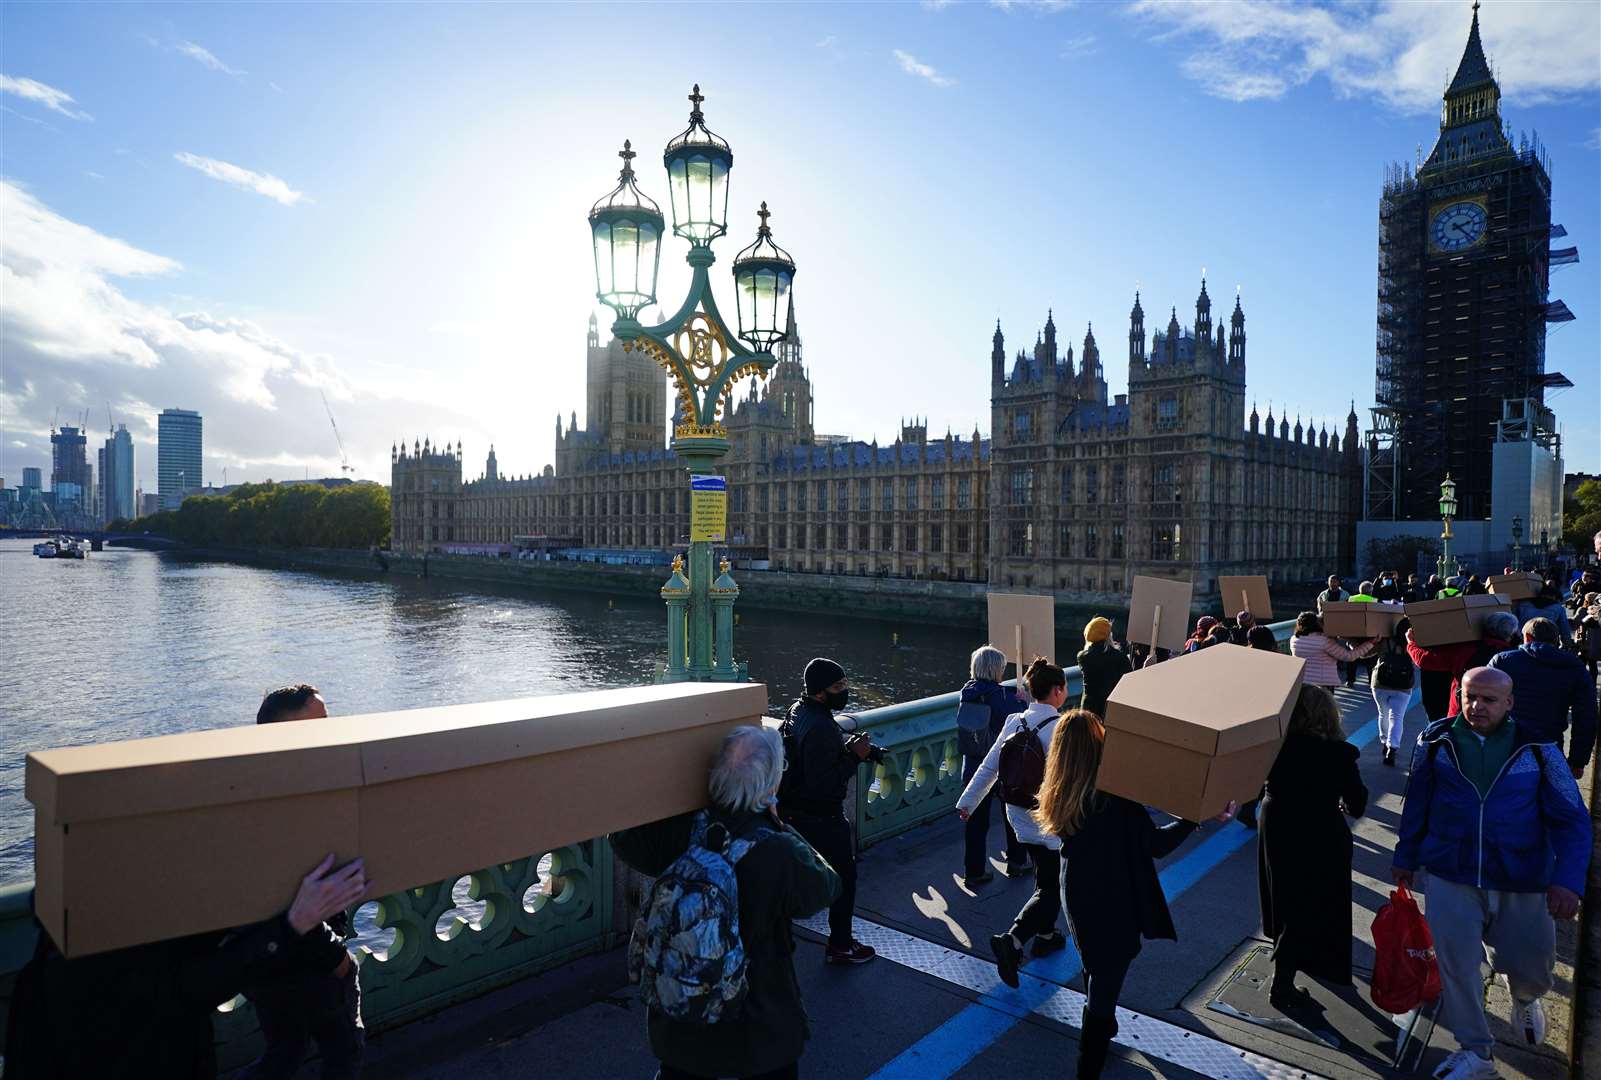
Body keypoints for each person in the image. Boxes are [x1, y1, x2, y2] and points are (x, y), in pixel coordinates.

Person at [1392, 668, 1591, 1080]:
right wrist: (1406, 855)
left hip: (1521, 874)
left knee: (1531, 962)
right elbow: (1417, 801)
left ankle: (1524, 997)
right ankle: (1476, 1052)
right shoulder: (1435, 740)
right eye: (1470, 696)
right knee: (1457, 966)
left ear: (1509, 703)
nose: (1476, 706)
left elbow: (1572, 819)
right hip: (1451, 871)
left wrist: (1568, 880)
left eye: (1488, 700)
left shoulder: (1539, 749)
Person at [611, 725, 841, 1080]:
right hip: (757, 1027)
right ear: (770, 785)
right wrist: (779, 823)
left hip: (681, 1023)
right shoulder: (779, 850)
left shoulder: (680, 831)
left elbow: (621, 837)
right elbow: (827, 886)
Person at [4, 854, 367, 1079]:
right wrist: (298, 927)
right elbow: (185, 989)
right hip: (150, 1056)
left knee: (286, 1052)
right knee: (331, 1049)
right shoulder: (103, 962)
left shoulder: (60, 950)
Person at [1033, 710, 1237, 1079]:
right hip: (1113, 899)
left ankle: (1099, 1034)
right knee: (1103, 988)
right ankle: (1089, 1063)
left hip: (1077, 892)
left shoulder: (1059, 791)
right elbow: (1156, 844)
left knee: (1094, 969)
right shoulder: (1114, 797)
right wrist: (1195, 817)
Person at [240, 685, 364, 1080]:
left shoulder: (247, 788)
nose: (329, 733)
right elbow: (285, 898)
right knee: (343, 1051)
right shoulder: (289, 803)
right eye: (317, 725)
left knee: (285, 1052)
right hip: (305, 961)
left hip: (266, 962)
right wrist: (339, 962)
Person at [956, 658, 1070, 987]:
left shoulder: (1014, 720)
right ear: (1058, 691)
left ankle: (1047, 934)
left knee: (1044, 874)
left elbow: (990, 765)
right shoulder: (1062, 728)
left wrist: (968, 802)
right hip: (1048, 817)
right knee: (1052, 886)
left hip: (1017, 812)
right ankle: (1014, 940)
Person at [1257, 685, 1367, 1010]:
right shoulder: (1339, 753)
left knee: (1284, 896)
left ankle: (1285, 963)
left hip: (1276, 822)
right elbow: (1357, 804)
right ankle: (1282, 985)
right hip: (1320, 831)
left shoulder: (1273, 747)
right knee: (1311, 901)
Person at [776, 657, 876, 965]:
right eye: (838, 686)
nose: (844, 691)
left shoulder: (798, 710)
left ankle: (778, 940)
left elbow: (804, 758)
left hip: (791, 811)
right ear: (820, 692)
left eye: (845, 684)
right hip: (823, 816)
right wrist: (855, 758)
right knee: (844, 879)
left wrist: (851, 751)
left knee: (790, 879)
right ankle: (841, 944)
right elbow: (825, 783)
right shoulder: (821, 726)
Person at [1489, 618, 1597, 777]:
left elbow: (1484, 702)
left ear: (1527, 637)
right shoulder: (1575, 668)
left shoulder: (1502, 661)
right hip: (1549, 746)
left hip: (1505, 745)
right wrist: (1577, 760)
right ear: (1556, 639)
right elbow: (1586, 717)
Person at [957, 645, 1026, 887]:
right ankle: (1017, 862)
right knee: (1011, 814)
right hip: (1001, 765)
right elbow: (1022, 719)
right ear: (997, 670)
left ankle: (974, 871)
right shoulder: (1004, 697)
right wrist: (1022, 700)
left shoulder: (966, 692)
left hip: (973, 764)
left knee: (975, 821)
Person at [1407, 609, 1518, 722]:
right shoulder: (1515, 656)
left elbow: (1425, 660)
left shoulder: (1465, 650)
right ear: (1510, 634)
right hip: (1501, 718)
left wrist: (1411, 643)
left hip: (1461, 715)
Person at [1288, 611, 1376, 690]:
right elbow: (1349, 656)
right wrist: (1370, 643)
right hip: (1322, 685)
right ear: (1316, 624)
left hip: (1302, 683)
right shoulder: (1324, 641)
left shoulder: (1294, 640)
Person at [1370, 620, 1417, 765]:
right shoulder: (1413, 644)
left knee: (1382, 714)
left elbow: (1365, 654)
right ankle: (1392, 748)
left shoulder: (1384, 642)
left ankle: (1384, 742)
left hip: (1380, 684)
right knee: (1397, 717)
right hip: (1403, 686)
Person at [1076, 617, 1131, 735]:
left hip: (1088, 710)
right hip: (1110, 710)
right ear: (1108, 636)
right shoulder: (1120, 658)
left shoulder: (1083, 657)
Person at [1515, 582, 1573, 647]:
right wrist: (1568, 645)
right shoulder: (1558, 608)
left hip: (1524, 641)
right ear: (1555, 597)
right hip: (1547, 644)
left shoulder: (1522, 604)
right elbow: (1564, 630)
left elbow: (1513, 623)